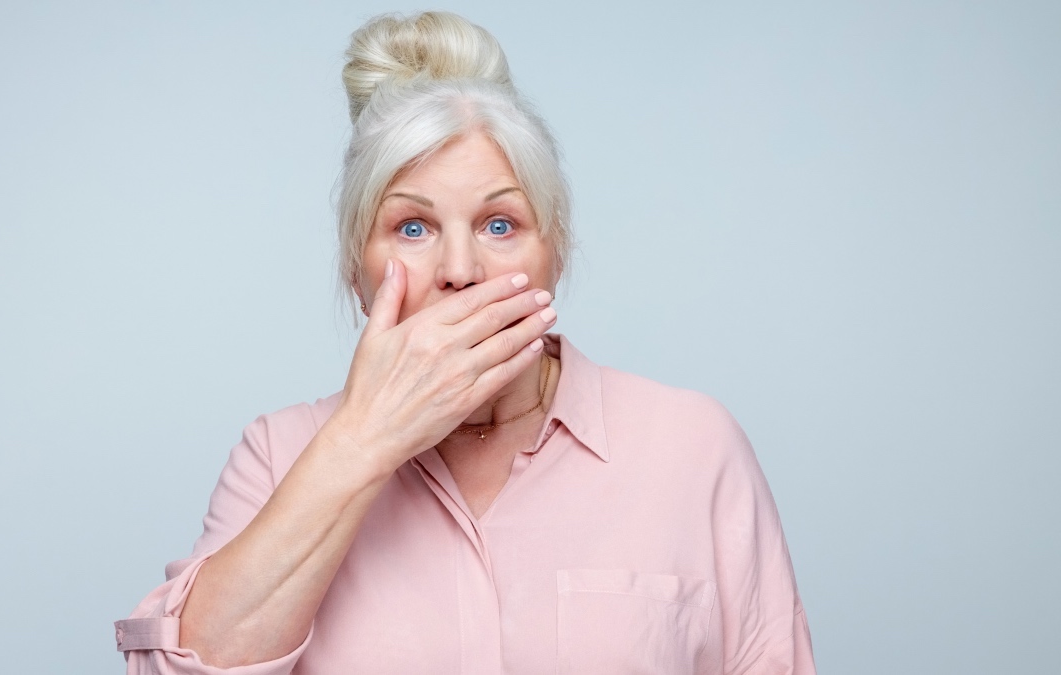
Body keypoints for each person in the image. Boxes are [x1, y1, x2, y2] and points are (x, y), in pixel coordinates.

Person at [115, 11, 815, 675]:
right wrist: (365, 439)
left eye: (499, 224)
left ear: (556, 255)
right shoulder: (277, 454)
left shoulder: (693, 447)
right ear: (357, 273)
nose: (460, 270)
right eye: (412, 228)